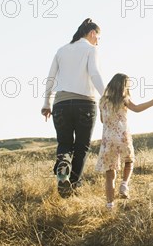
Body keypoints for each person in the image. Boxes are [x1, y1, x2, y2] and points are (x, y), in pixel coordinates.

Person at [41, 18, 105, 198]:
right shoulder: (92, 50)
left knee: (64, 143)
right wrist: (107, 96)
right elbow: (94, 73)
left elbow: (50, 79)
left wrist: (46, 102)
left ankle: (63, 168)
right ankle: (73, 187)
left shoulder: (61, 51)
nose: (98, 41)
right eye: (98, 37)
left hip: (60, 103)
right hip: (85, 103)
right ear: (92, 33)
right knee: (82, 146)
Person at [95, 73, 153, 211]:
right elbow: (137, 108)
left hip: (108, 140)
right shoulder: (124, 99)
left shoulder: (102, 100)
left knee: (110, 174)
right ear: (123, 86)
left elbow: (102, 120)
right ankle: (124, 184)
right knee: (129, 160)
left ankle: (109, 206)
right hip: (122, 136)